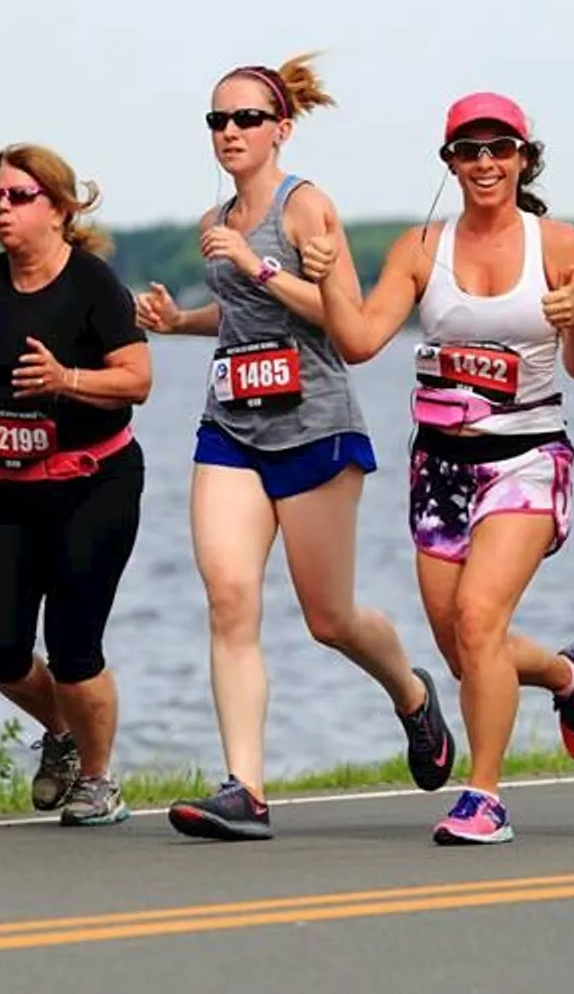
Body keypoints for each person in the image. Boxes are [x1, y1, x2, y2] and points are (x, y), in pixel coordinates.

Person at [134, 54, 454, 841]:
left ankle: (411, 695)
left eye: (246, 119)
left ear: (280, 128)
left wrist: (260, 265)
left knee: (329, 616)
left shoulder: (306, 208)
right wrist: (182, 321)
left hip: (315, 425)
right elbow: (241, 315)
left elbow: (339, 320)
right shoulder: (220, 218)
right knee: (230, 598)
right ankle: (244, 787)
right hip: (231, 425)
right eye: (218, 120)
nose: (230, 132)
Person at [303, 92, 574, 845]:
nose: (484, 164)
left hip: (528, 458)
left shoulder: (561, 245)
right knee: (466, 649)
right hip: (440, 467)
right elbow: (360, 340)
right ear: (449, 162)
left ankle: (486, 796)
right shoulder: (419, 248)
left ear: (523, 158)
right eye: (469, 152)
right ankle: (567, 678)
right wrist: (329, 273)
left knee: (479, 620)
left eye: (499, 149)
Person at [0, 143, 151, 827]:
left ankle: (98, 777)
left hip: (95, 484)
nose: (2, 208)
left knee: (72, 645)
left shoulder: (93, 285)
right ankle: (63, 735)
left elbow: (138, 380)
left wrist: (67, 380)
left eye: (18, 197)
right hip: (9, 486)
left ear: (57, 209)